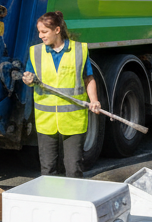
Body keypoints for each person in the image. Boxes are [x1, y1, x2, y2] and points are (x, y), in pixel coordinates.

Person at [20, 11, 103, 178]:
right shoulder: (36, 52)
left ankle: (75, 202)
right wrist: (27, 79)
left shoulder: (79, 51)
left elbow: (88, 79)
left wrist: (94, 100)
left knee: (73, 169)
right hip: (46, 120)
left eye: (44, 32)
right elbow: (29, 76)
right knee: (48, 170)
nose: (40, 36)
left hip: (73, 120)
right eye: (39, 32)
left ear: (57, 30)